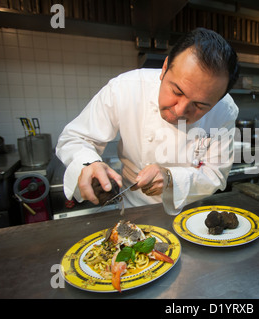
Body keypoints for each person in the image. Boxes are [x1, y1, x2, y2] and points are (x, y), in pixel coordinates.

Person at [56, 28, 240, 215]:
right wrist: (90, 163)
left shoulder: (225, 111)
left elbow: (215, 174)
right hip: (135, 211)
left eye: (199, 106)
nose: (179, 110)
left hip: (193, 217)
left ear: (217, 101)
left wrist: (171, 178)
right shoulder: (126, 88)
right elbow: (75, 138)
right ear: (165, 68)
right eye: (176, 92)